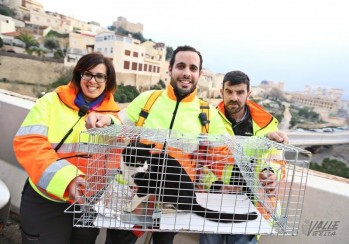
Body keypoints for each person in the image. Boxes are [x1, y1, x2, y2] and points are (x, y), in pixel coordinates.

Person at [108, 45, 228, 244]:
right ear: (170, 69)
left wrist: (268, 139)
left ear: (199, 74)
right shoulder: (148, 100)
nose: (186, 73)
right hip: (138, 192)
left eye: (192, 68)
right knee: (118, 241)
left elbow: (225, 154)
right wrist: (104, 121)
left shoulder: (209, 113)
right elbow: (118, 124)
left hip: (174, 199)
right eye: (181, 66)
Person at [13, 52, 121, 244]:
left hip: (87, 203)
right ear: (78, 75)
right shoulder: (50, 102)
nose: (92, 80)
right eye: (87, 74)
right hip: (46, 200)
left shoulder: (112, 115)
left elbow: (123, 144)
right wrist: (68, 180)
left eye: (100, 76)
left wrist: (110, 122)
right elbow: (29, 144)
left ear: (107, 81)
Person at [199, 70, 288, 244]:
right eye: (229, 91)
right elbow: (197, 160)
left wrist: (270, 172)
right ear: (221, 92)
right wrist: (216, 185)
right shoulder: (207, 121)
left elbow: (276, 161)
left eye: (240, 92)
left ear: (249, 94)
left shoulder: (265, 125)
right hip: (214, 200)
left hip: (250, 204)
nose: (234, 97)